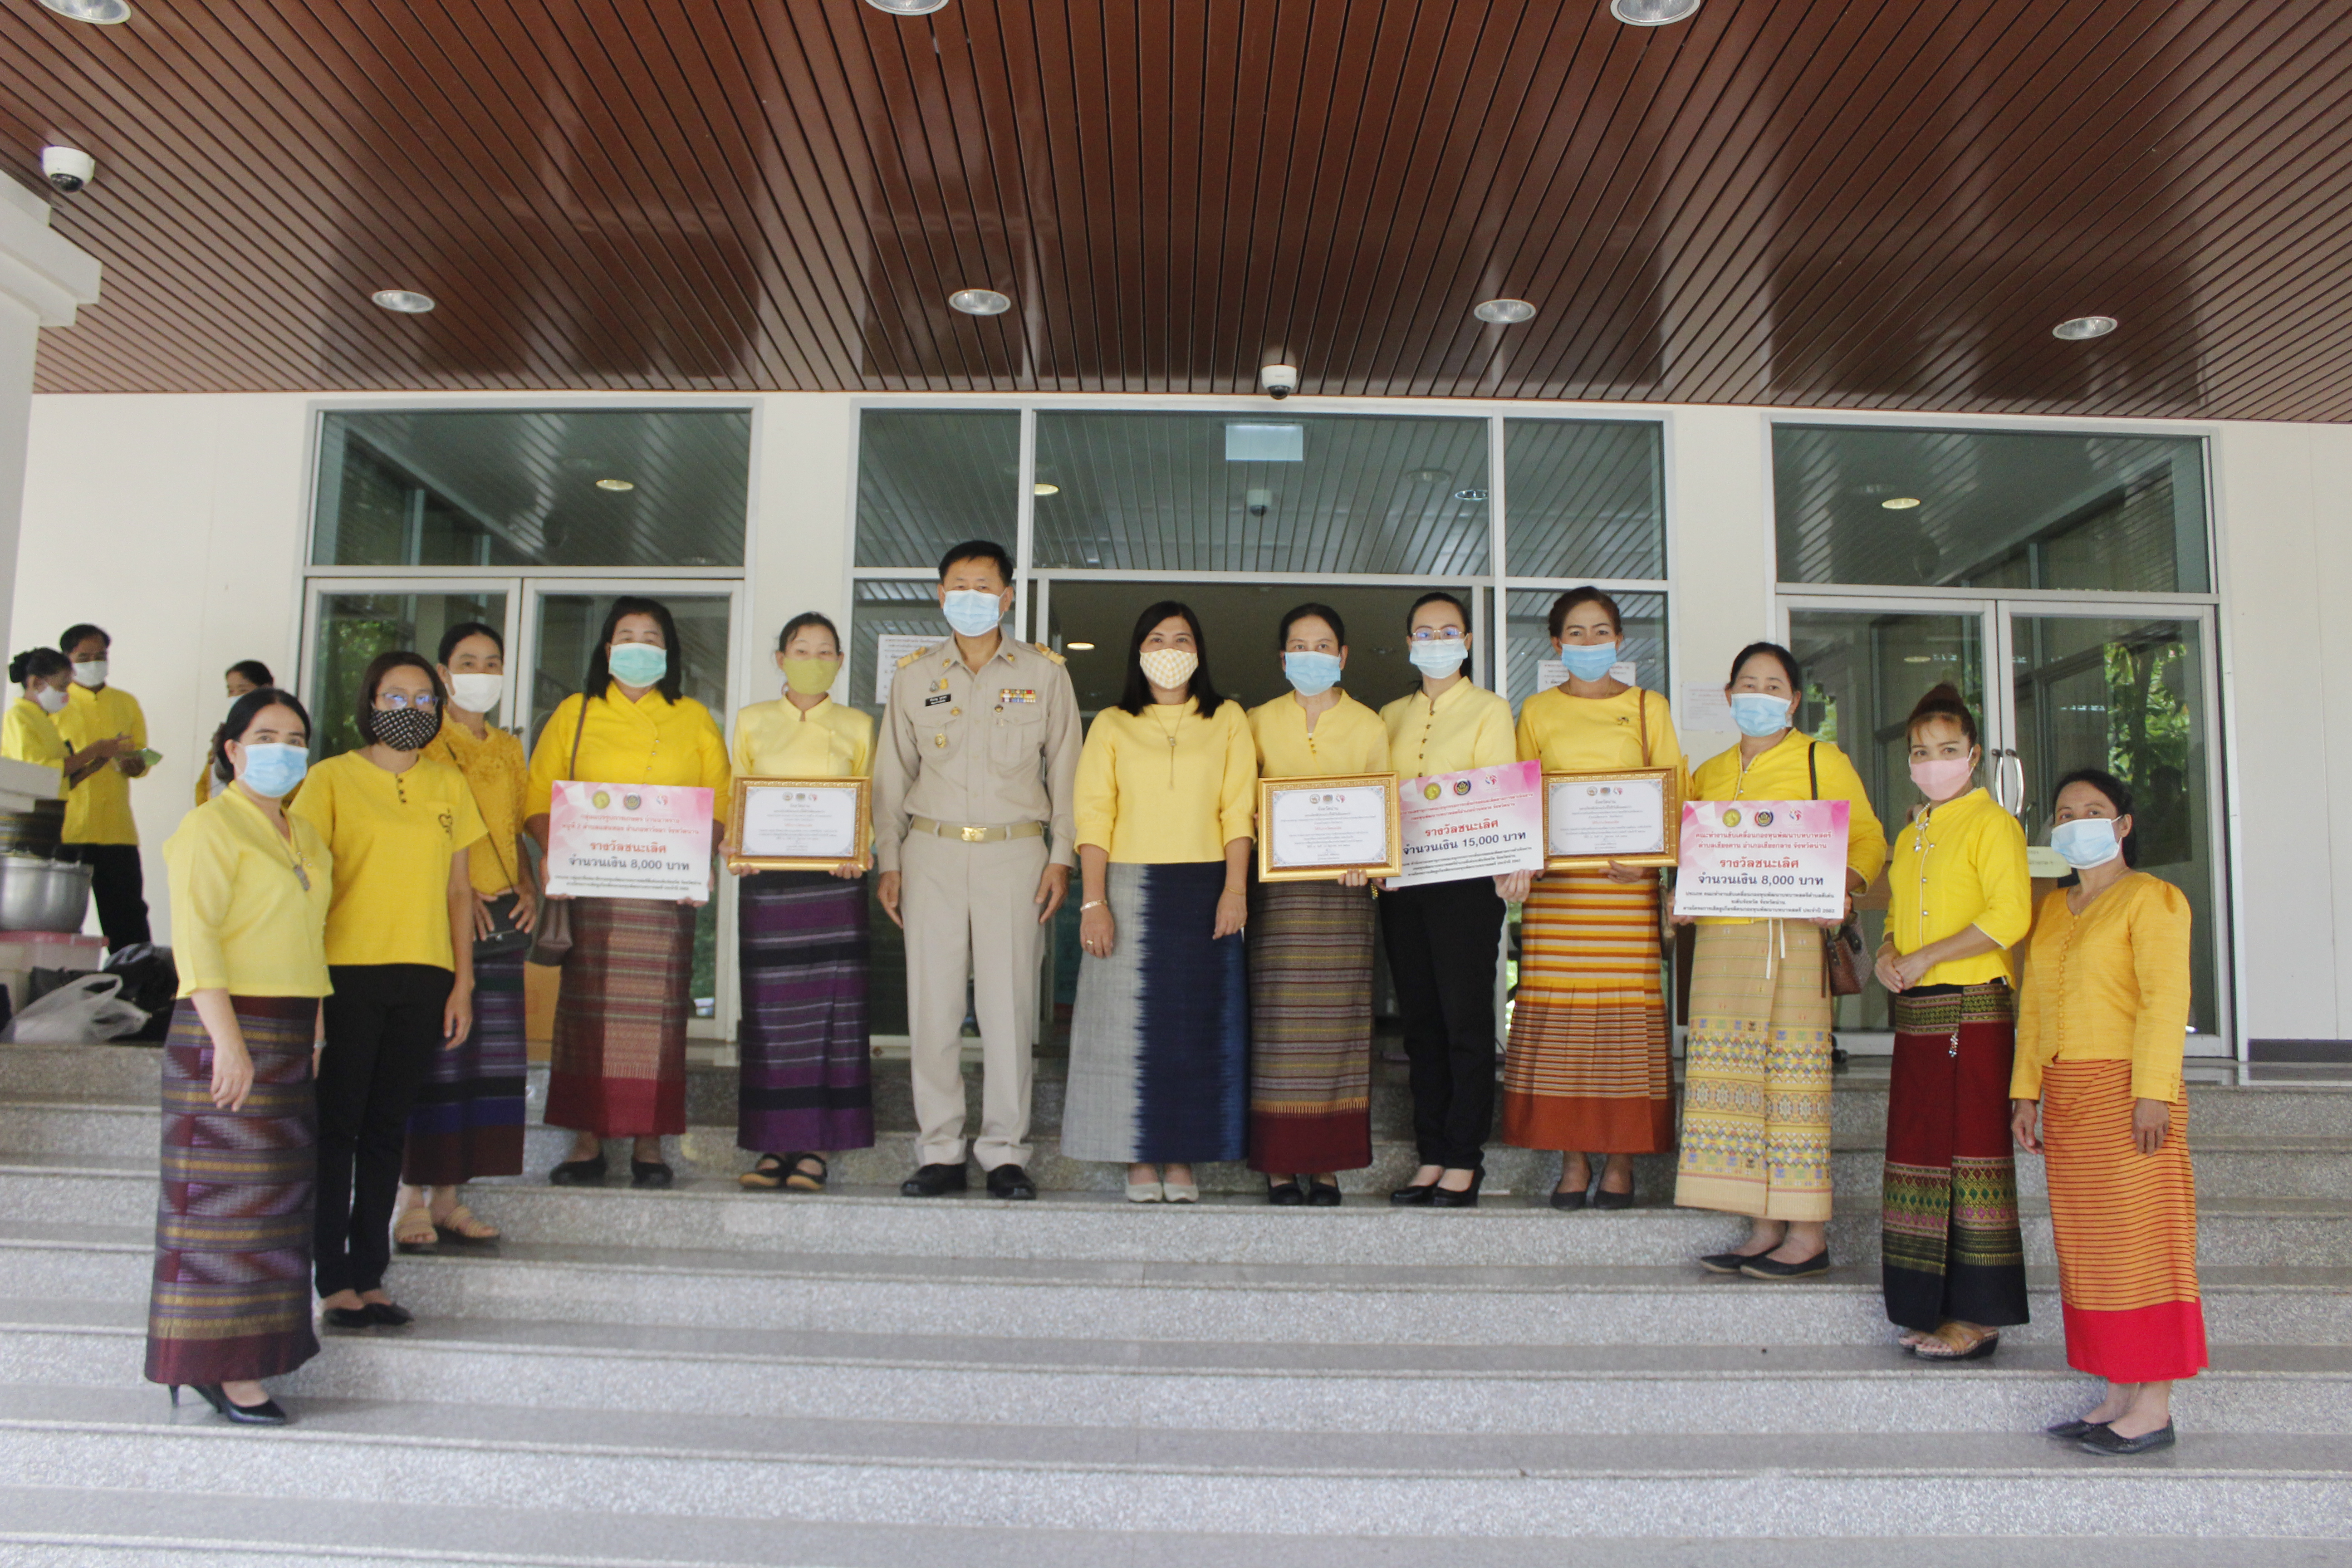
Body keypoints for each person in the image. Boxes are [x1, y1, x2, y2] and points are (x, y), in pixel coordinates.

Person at [146, 687, 331, 1426]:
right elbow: (196, 943)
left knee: (275, 1208)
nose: (282, 748)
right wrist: (228, 1041)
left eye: (295, 736)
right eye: (264, 735)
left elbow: (313, 939)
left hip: (290, 1031)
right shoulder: (207, 829)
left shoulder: (305, 834)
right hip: (225, 1030)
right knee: (219, 1210)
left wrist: (315, 1029)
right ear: (232, 749)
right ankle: (211, 1366)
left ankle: (253, 1356)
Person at [1672, 641, 1885, 1277]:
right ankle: (1761, 1226)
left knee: (1793, 1084)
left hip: (1791, 942)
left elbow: (1870, 838)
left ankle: (1808, 1233)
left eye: (1773, 685)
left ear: (1794, 701)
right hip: (1721, 946)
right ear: (1730, 695)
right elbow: (1689, 851)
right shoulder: (1708, 773)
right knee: (1730, 1084)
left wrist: (1845, 885)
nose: (1759, 695)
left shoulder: (1822, 758)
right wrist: (1677, 894)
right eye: (1747, 683)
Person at [876, 541, 1078, 1202]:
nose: (970, 595)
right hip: (929, 852)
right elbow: (890, 779)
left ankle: (1003, 1152)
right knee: (932, 1009)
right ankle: (939, 1149)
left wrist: (1061, 855)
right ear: (940, 595)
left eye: (984, 585)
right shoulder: (913, 677)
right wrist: (889, 859)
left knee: (1008, 1008)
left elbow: (1068, 772)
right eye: (958, 584)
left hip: (1015, 854)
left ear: (1007, 597)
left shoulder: (1045, 674)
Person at [2012, 769, 2202, 1455]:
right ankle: (2118, 1392)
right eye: (2066, 812)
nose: (2077, 820)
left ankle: (2154, 1406)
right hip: (2069, 1100)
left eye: (2094, 810)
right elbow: (2033, 1008)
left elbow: (2165, 999)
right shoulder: (2054, 910)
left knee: (2143, 1249)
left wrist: (2156, 1090)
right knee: (2091, 1252)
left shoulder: (2153, 900)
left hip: (2132, 1097)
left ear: (2122, 825)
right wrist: (2025, 1092)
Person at [292, 652, 481, 1329]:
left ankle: (371, 1276)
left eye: (424, 699)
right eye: (395, 696)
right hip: (346, 973)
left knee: (385, 1131)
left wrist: (462, 981)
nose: (410, 710)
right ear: (370, 700)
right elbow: (306, 886)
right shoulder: (329, 779)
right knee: (337, 1128)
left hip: (424, 975)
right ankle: (331, 1275)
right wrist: (311, 991)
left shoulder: (448, 783)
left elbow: (459, 891)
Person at [526, 596, 730, 1189]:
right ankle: (586, 1140)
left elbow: (719, 798)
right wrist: (556, 851)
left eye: (651, 637)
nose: (639, 646)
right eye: (627, 635)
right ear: (608, 649)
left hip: (664, 895)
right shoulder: (576, 712)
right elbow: (538, 797)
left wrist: (698, 859)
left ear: (667, 652)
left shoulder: (693, 717)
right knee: (586, 1016)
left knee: (660, 1018)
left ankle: (650, 1141)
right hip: (593, 887)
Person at [1064, 601, 1255, 1203]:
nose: (1169, 648)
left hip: (1206, 888)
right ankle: (1139, 1155)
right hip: (1127, 885)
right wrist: (1093, 901)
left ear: (1198, 652)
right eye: (1156, 638)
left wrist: (1234, 888)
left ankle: (1184, 1157)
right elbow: (1094, 814)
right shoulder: (1113, 724)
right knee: (1122, 1030)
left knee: (1197, 1030)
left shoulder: (1227, 718)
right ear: (1138, 652)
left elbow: (1237, 809)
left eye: (1181, 638)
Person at [1504, 588, 1685, 1210]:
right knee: (1564, 1033)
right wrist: (1521, 860)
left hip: (1623, 897)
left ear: (1619, 640)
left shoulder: (1646, 706)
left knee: (1623, 1030)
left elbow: (1672, 797)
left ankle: (1622, 1163)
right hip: (1558, 901)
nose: (1588, 643)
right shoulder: (1535, 710)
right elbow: (1521, 799)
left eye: (1599, 630)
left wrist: (1653, 866)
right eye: (1575, 633)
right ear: (1556, 644)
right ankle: (1574, 1159)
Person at [1873, 684, 2033, 1360]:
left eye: (1947, 750)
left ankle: (1979, 1314)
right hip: (1919, 1016)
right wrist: (1887, 956)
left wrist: (1927, 956)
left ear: (1973, 755)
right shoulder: (1912, 834)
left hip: (1972, 1008)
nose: (1932, 761)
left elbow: (2007, 917)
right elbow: (1892, 918)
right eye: (1920, 751)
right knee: (1919, 1158)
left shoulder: (1994, 824)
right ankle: (1929, 1305)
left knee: (1972, 1160)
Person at [1377, 591, 1521, 1208]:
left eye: (1448, 630)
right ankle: (1430, 1153)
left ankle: (1465, 1158)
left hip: (1466, 885)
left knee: (1465, 1023)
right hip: (1403, 885)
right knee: (1421, 1025)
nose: (1436, 641)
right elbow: (1375, 796)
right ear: (1409, 642)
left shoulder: (1491, 709)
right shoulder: (1386, 715)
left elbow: (1497, 793)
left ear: (1467, 641)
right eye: (1424, 631)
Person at [1245, 603, 1389, 1205]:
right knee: (1275, 1027)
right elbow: (1240, 804)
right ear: (1283, 658)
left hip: (1344, 899)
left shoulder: (1369, 725)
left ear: (1343, 656)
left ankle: (1326, 1164)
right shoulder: (1253, 721)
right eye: (1299, 646)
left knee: (1339, 1029)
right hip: (1277, 900)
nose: (1311, 656)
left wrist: (1372, 860)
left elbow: (1383, 810)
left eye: (1323, 645)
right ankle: (1279, 1164)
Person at [393, 623, 532, 1250]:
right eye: (467, 661)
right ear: (444, 675)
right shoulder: (421, 743)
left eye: (492, 661)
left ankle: (451, 1197)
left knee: (483, 1063)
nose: (481, 671)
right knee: (433, 1058)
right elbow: (413, 833)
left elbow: (511, 827)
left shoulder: (508, 748)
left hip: (502, 922)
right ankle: (410, 1198)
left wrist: (526, 886)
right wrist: (459, 891)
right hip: (440, 916)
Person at [728, 612, 875, 1195]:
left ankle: (815, 1146)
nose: (812, 658)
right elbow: (737, 789)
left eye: (824, 650)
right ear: (780, 658)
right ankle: (772, 1145)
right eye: (800, 648)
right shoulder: (751, 721)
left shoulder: (860, 725)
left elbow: (870, 799)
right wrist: (736, 846)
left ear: (839, 662)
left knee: (832, 1019)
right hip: (769, 888)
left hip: (836, 886)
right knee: (770, 1021)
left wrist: (858, 851)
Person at [53, 623, 153, 951]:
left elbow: (141, 757)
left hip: (117, 831)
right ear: (67, 660)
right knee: (59, 921)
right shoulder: (55, 706)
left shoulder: (126, 702)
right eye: (84, 657)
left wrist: (136, 765)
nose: (94, 662)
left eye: (101, 656)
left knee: (127, 921)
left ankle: (137, 991)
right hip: (67, 829)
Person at [5, 647, 120, 788]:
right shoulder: (18, 717)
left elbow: (60, 783)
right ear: (36, 683)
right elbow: (37, 774)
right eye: (61, 687)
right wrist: (93, 751)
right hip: (30, 808)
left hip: (53, 806)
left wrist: (95, 765)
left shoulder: (44, 720)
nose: (66, 695)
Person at [198, 662, 277, 806]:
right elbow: (206, 785)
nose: (235, 696)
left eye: (242, 690)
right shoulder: (225, 733)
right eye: (231, 691)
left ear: (265, 690)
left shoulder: (279, 734)